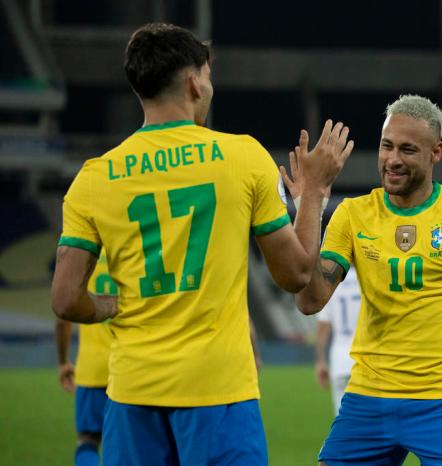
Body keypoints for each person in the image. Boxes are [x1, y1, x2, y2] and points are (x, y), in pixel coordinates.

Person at [50, 23, 353, 466]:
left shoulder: (95, 177)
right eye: (207, 77)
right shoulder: (242, 157)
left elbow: (64, 299)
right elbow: (297, 275)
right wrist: (314, 194)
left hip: (132, 395)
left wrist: (110, 306)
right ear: (194, 81)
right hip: (220, 392)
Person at [290, 94, 442, 466]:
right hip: (367, 398)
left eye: (408, 149)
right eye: (386, 146)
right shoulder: (353, 215)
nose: (392, 159)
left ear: (435, 152)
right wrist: (312, 198)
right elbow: (309, 301)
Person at [55, 252, 116, 466]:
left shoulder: (83, 253)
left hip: (92, 369)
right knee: (127, 444)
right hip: (130, 366)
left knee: (88, 441)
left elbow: (63, 316)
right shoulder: (131, 245)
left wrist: (63, 361)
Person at [315, 266, 361, 414]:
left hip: (340, 361)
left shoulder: (331, 284)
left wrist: (320, 361)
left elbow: (323, 328)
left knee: (342, 419)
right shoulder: (367, 278)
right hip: (365, 360)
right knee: (370, 421)